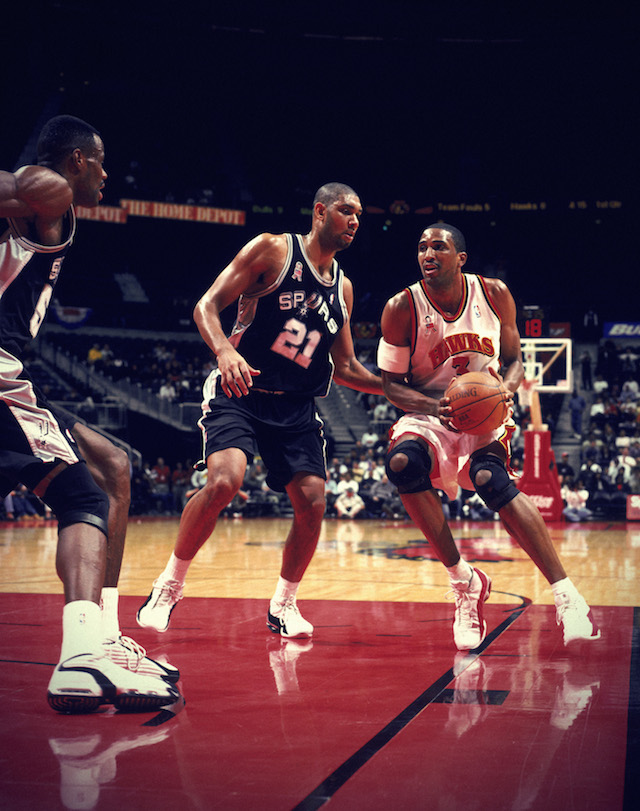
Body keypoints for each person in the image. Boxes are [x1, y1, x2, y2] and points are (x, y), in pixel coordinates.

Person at [137, 182, 382, 638]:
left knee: (312, 503)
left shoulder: (343, 288)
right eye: (346, 211)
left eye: (359, 215)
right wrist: (223, 352)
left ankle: (284, 605)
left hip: (296, 407)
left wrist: (404, 390)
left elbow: (346, 367)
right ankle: (169, 584)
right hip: (241, 389)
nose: (354, 221)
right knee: (226, 481)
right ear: (319, 212)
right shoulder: (273, 250)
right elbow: (206, 306)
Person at [0, 115, 179, 711]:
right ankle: (82, 653)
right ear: (77, 160)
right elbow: (26, 186)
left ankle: (103, 633)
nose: (108, 173)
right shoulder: (50, 192)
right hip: (3, 371)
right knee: (83, 499)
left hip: (22, 368)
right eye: (101, 162)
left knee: (113, 467)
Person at [376, 223, 599, 650]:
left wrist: (506, 390)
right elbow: (390, 385)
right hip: (430, 410)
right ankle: (464, 581)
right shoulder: (400, 307)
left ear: (460, 258)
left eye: (438, 247)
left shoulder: (494, 294)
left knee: (489, 480)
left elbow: (515, 362)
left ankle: (568, 596)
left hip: (484, 413)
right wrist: (433, 407)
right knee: (402, 464)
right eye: (422, 247)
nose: (428, 253)